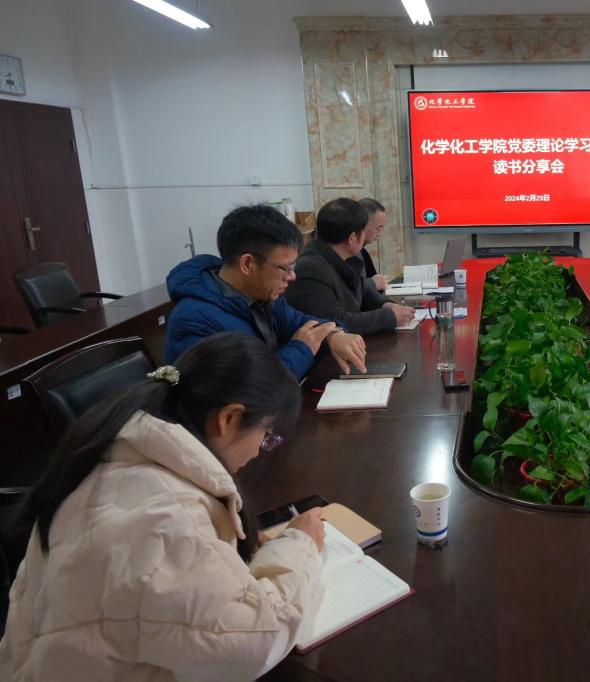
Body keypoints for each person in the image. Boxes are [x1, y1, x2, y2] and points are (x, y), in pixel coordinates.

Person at [0, 333, 326, 680]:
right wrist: (301, 546)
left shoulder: (114, 452)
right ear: (229, 418)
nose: (260, 449)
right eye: (267, 435)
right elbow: (254, 640)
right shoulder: (171, 520)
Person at [165, 204, 367, 378]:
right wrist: (301, 349)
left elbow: (304, 322)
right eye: (285, 268)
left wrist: (333, 333)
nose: (292, 277)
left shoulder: (263, 297)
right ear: (247, 264)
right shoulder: (194, 321)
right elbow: (247, 387)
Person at [286, 198, 415, 334]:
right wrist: (389, 317)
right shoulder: (310, 269)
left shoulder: (344, 255)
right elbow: (334, 322)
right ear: (352, 238)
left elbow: (361, 290)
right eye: (363, 231)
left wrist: (386, 304)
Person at [358, 197, 389, 292]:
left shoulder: (362, 252)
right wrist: (373, 283)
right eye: (378, 228)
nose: (379, 234)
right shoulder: (347, 254)